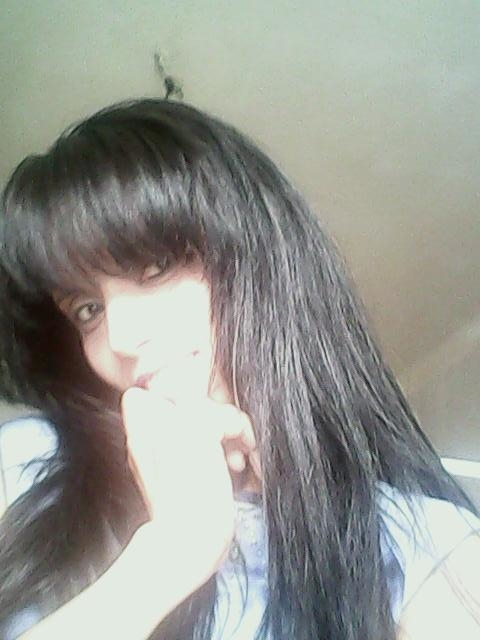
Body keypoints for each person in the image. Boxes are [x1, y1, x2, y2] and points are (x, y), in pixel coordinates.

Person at [0, 98, 478, 640]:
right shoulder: (24, 465)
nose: (120, 338)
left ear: (262, 263)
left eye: (155, 268)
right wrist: (173, 551)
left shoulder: (423, 548)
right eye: (88, 310)